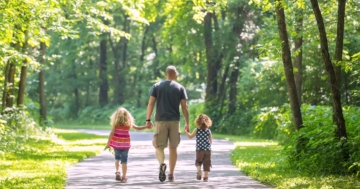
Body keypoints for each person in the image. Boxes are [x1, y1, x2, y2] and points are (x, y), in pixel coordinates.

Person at [145, 65, 190, 182]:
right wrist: (187, 123)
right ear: (175, 75)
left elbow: (150, 104)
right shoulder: (180, 88)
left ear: (166, 74)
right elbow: (184, 107)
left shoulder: (157, 86)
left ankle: (161, 163)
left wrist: (148, 120)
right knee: (173, 148)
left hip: (161, 120)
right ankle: (171, 174)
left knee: (159, 146)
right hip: (175, 121)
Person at [105, 107, 148, 183]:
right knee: (124, 161)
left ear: (116, 116)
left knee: (117, 158)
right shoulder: (128, 124)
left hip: (116, 144)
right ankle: (124, 177)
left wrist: (108, 143)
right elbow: (137, 128)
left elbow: (111, 133)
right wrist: (146, 126)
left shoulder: (116, 125)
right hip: (125, 145)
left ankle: (117, 171)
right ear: (127, 116)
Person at [184, 114, 212, 182]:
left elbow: (190, 137)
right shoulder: (208, 131)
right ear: (208, 121)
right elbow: (211, 141)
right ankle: (206, 178)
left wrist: (186, 132)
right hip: (207, 150)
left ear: (197, 121)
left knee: (198, 162)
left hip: (199, 149)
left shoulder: (196, 130)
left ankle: (199, 170)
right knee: (207, 163)